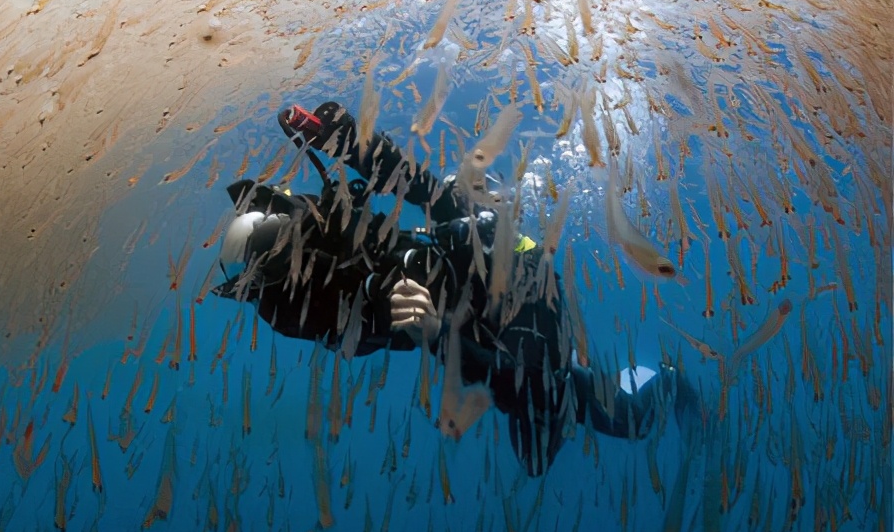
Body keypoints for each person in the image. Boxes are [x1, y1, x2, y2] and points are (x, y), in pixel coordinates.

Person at [211, 101, 698, 476]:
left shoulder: (501, 253)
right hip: (475, 341)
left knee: (579, 422)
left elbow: (527, 383)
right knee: (533, 461)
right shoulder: (424, 252)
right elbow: (410, 184)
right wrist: (341, 140)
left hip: (531, 338)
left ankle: (669, 383)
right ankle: (594, 379)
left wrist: (436, 330)